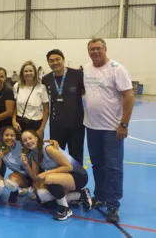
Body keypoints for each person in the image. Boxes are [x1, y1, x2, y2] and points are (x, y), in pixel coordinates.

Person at [83, 38, 134, 223]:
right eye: (91, 49)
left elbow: (129, 96)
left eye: (98, 48)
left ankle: (113, 204)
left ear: (105, 49)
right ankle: (101, 196)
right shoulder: (87, 69)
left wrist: (124, 123)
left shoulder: (116, 69)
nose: (95, 52)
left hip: (112, 129)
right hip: (92, 126)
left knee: (113, 168)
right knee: (97, 165)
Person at [20, 130, 92, 221]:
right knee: (44, 199)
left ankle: (65, 209)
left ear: (36, 138)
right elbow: (36, 178)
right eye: (25, 140)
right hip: (62, 178)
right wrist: (26, 166)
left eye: (30, 138)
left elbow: (68, 167)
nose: (28, 141)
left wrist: (46, 173)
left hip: (78, 176)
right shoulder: (33, 155)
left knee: (48, 179)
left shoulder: (47, 148)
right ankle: (80, 195)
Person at [42, 49, 85, 164]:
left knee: (76, 156)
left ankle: (76, 180)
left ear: (63, 59)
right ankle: (58, 181)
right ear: (48, 63)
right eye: (51, 61)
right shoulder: (46, 79)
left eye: (57, 59)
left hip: (76, 126)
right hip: (56, 126)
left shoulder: (78, 75)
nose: (55, 63)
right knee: (56, 156)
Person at [12, 61, 49, 137]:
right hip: (20, 123)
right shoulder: (17, 86)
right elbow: (14, 107)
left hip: (36, 125)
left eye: (30, 71)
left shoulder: (42, 88)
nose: (28, 73)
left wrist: (41, 129)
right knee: (20, 147)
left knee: (35, 147)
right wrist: (13, 121)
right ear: (22, 73)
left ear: (35, 72)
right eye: (25, 71)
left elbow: (46, 110)